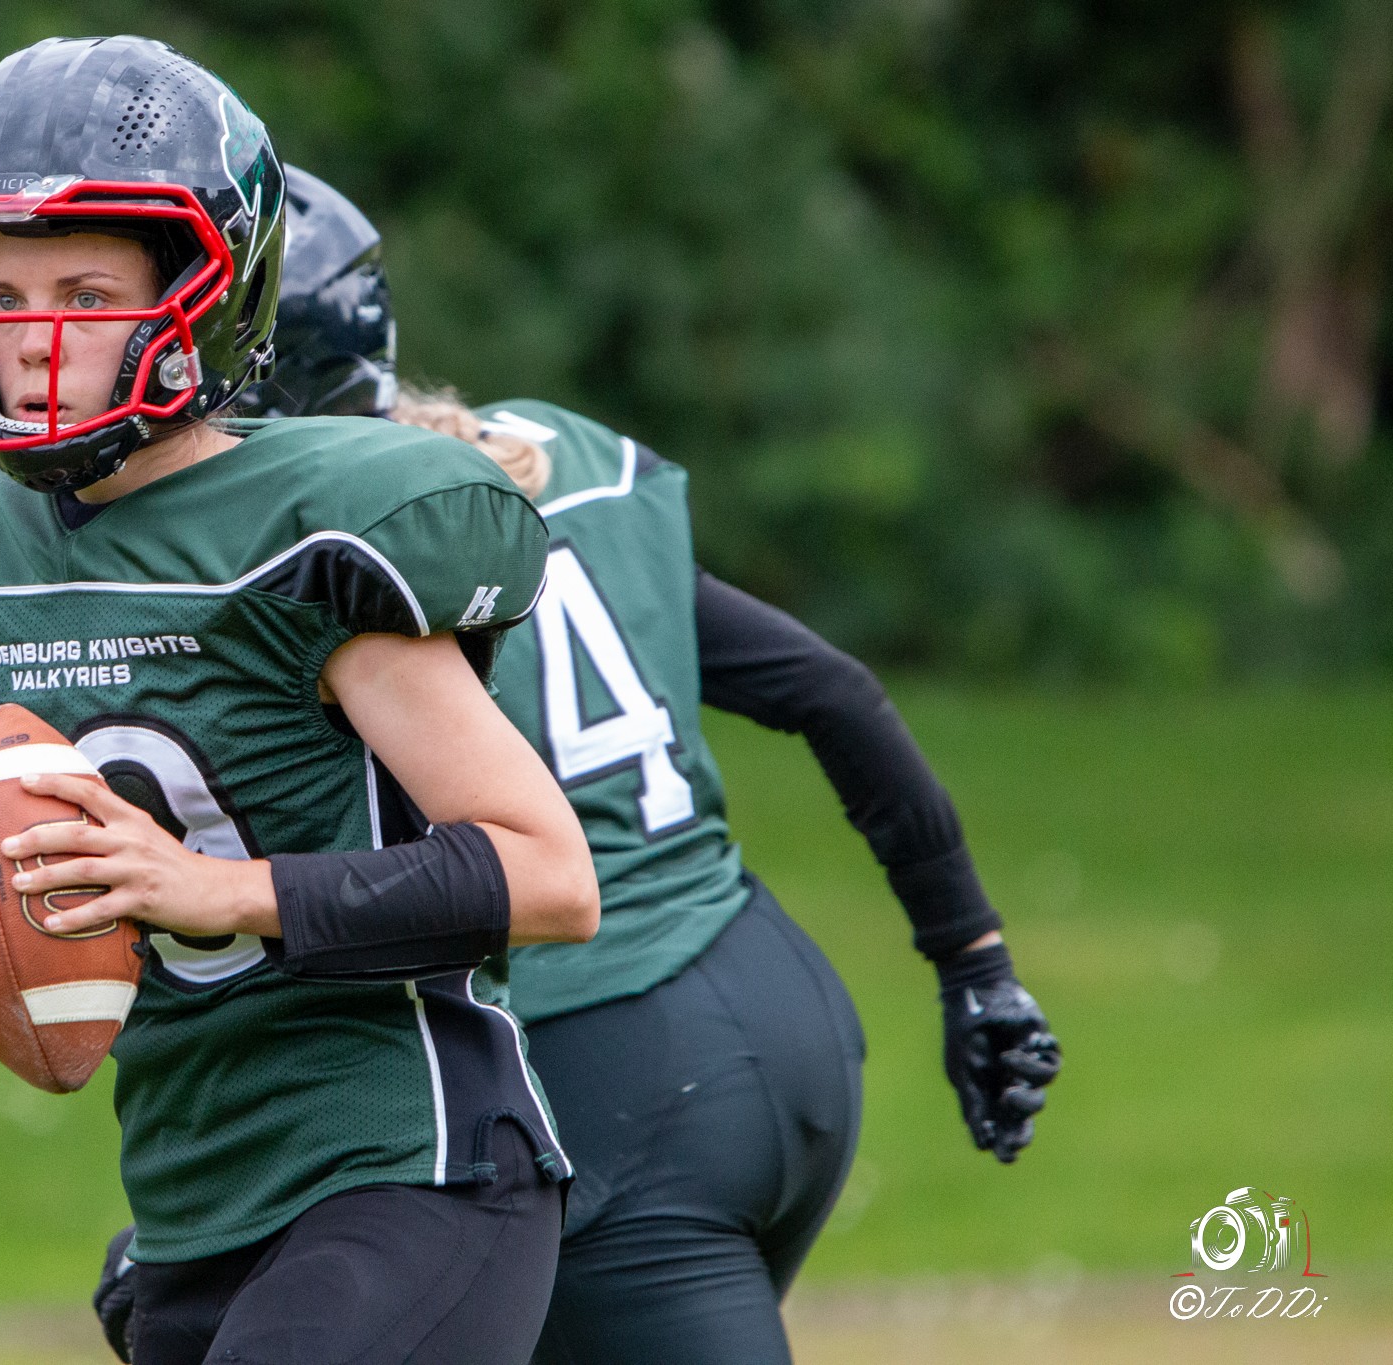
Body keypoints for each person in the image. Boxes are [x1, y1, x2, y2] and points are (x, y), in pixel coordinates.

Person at [98, 165, 1062, 1364]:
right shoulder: (539, 458)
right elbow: (829, 691)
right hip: (776, 1010)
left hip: (595, 1067)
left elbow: (341, 903)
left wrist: (218, 1250)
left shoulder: (299, 558)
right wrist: (973, 961)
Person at [0, 40, 601, 1365]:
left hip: (407, 1171)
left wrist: (216, 892)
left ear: (203, 298)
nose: (30, 337)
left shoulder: (308, 529)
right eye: (4, 294)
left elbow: (550, 877)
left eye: (85, 294)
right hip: (191, 1205)